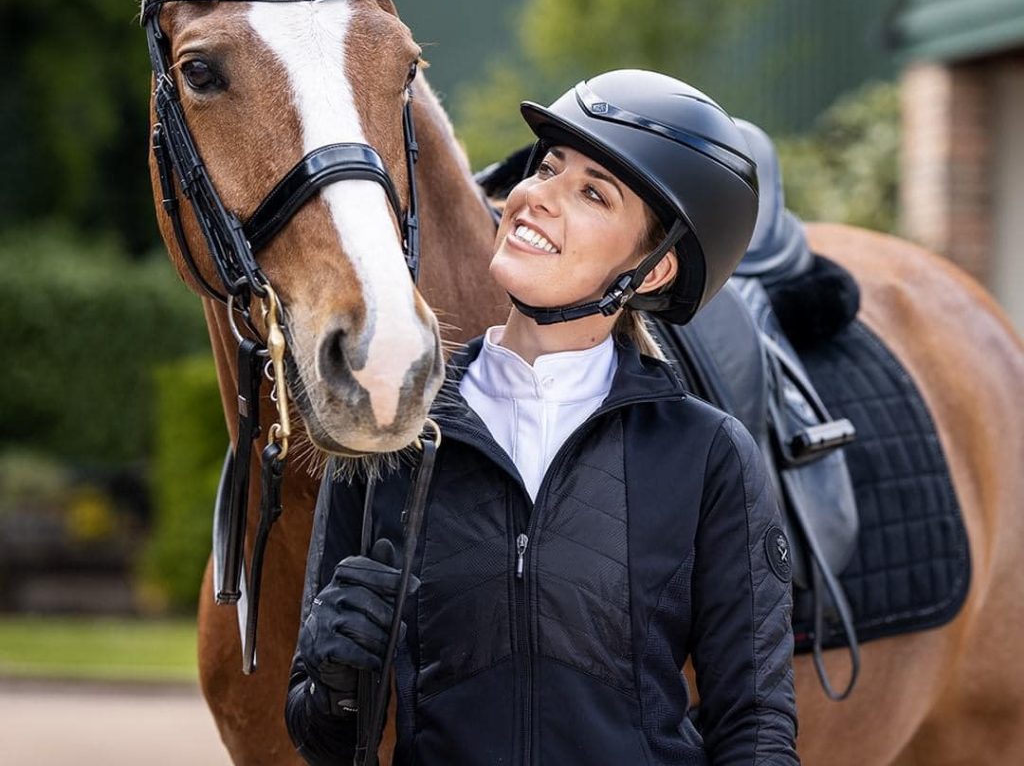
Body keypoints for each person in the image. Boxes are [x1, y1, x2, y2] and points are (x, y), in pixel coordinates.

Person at [285, 69, 800, 765]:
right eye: (548, 167)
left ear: (650, 272)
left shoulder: (708, 456)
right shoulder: (394, 428)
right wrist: (332, 677)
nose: (534, 197)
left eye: (592, 192)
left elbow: (756, 728)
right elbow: (324, 737)